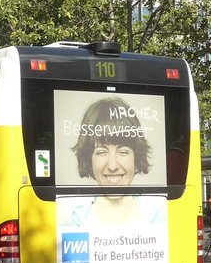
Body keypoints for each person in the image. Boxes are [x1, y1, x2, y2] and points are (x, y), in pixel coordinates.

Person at [64, 95, 159, 227]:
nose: (112, 166)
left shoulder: (157, 215)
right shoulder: (75, 220)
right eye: (102, 152)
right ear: (88, 158)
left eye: (123, 151)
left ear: (136, 157)